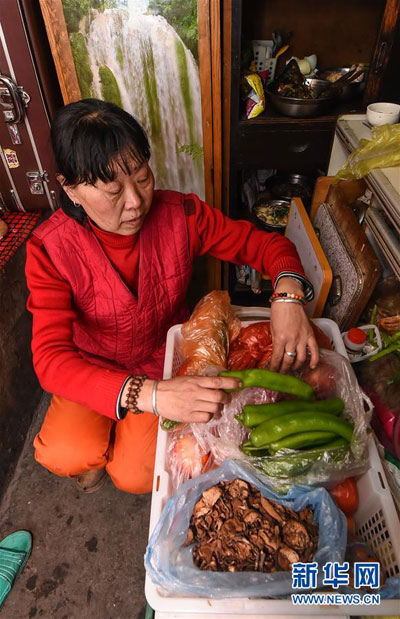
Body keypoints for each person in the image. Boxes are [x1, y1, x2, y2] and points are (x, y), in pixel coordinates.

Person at [25, 98, 318, 494]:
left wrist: (288, 295)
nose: (135, 202)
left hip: (159, 360)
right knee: (65, 452)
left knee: (135, 476)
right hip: (89, 365)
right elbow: (51, 360)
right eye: (113, 191)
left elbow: (263, 246)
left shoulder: (181, 214)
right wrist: (150, 396)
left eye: (142, 178)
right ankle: (101, 440)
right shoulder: (50, 249)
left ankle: (116, 439)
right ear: (71, 190)